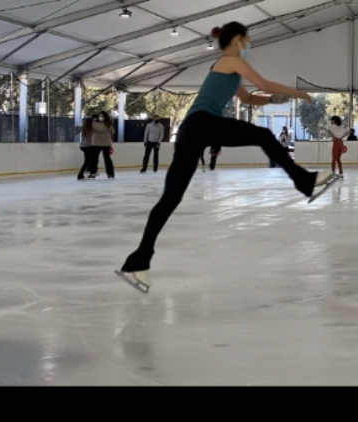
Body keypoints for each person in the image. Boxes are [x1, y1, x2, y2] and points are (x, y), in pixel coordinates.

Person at [118, 22, 331, 292]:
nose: (249, 44)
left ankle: (139, 260)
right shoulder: (231, 60)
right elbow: (263, 83)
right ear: (239, 40)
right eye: (248, 39)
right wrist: (297, 92)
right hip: (203, 124)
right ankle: (304, 182)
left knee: (170, 199)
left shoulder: (227, 66)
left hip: (191, 130)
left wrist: (274, 101)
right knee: (264, 135)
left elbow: (248, 98)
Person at [89, 111, 116, 179]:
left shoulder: (108, 124)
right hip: (96, 143)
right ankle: (93, 172)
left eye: (102, 116)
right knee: (94, 159)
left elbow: (113, 132)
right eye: (100, 116)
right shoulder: (96, 124)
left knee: (107, 159)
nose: (101, 117)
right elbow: (112, 132)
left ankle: (110, 173)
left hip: (105, 143)